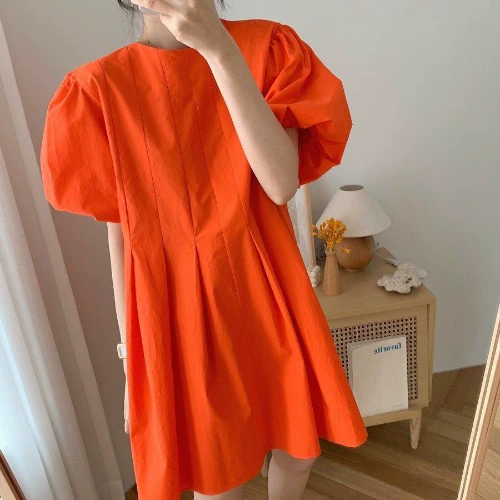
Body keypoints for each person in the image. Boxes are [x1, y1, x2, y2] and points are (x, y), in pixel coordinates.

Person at [39, 0, 368, 498]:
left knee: (299, 449)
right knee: (221, 472)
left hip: (269, 286)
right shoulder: (98, 90)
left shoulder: (268, 49)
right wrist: (133, 364)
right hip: (181, 311)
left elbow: (280, 182)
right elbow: (122, 235)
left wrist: (218, 49)